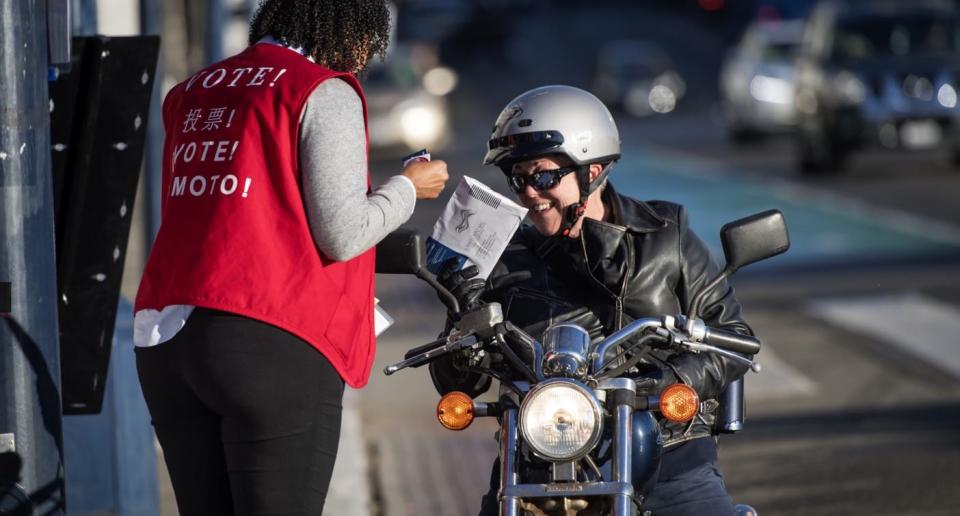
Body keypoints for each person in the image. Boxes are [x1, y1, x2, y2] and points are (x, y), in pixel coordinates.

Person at [132, 1, 449, 514]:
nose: (364, 58)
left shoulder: (191, 92)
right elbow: (344, 233)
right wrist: (408, 188)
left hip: (168, 338)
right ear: (348, 28)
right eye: (368, 41)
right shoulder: (319, 89)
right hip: (269, 335)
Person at [430, 85, 752, 515]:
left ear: (593, 169)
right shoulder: (501, 259)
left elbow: (731, 337)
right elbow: (456, 384)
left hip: (667, 449)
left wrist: (669, 380)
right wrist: (462, 321)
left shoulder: (665, 235)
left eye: (543, 176)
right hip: (541, 456)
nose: (528, 193)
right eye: (519, 178)